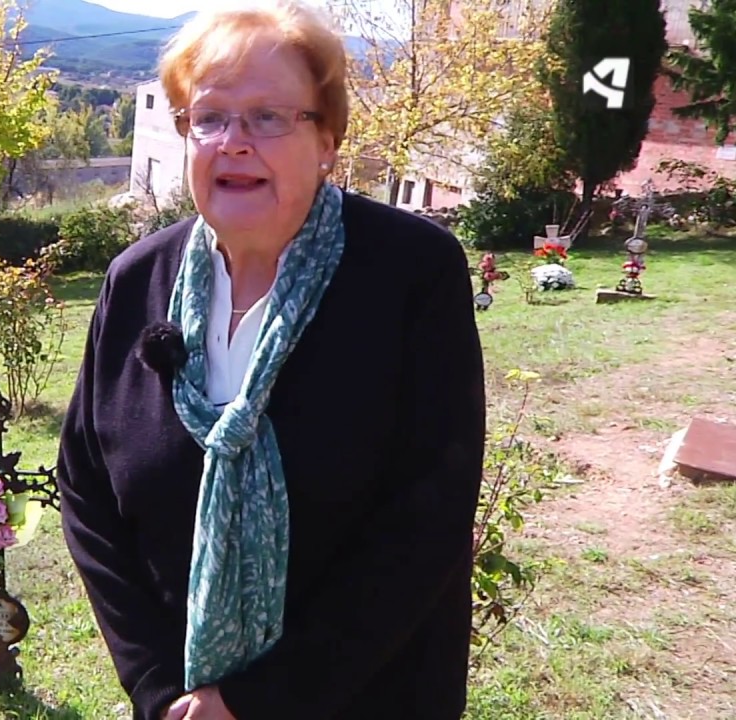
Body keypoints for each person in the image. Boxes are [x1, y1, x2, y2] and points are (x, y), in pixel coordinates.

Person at [54, 2, 487, 719]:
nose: (234, 142)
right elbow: (86, 487)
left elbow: (428, 517)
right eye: (211, 117)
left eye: (269, 118)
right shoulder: (136, 280)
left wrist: (256, 702)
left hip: (370, 698)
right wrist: (160, 686)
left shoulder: (411, 273)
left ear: (328, 139)